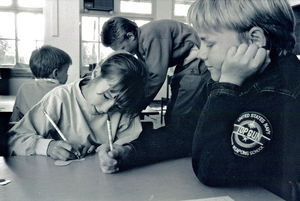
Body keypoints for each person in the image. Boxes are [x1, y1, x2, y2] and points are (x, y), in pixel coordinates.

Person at [187, 0, 300, 200]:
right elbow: (185, 131)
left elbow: (212, 169)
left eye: (209, 43)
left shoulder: (282, 92)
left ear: (255, 39)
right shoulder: (238, 78)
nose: (200, 53)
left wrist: (228, 85)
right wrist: (131, 151)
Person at [8, 51, 146, 161]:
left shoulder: (127, 106)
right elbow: (13, 139)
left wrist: (118, 151)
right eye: (107, 96)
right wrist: (47, 147)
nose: (107, 109)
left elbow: (136, 145)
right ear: (96, 73)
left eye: (118, 105)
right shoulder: (60, 97)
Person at [101, 17, 206, 130]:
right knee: (172, 110)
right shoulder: (140, 43)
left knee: (179, 112)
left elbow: (156, 77)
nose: (124, 52)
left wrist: (137, 106)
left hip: (198, 60)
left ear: (130, 36)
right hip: (185, 63)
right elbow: (144, 76)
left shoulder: (151, 35)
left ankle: (178, 140)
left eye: (123, 48)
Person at [10, 45, 72, 122]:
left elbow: (14, 120)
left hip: (28, 133)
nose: (67, 75)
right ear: (55, 73)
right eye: (66, 71)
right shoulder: (65, 91)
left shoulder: (24, 88)